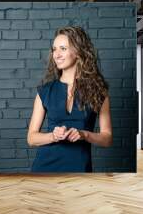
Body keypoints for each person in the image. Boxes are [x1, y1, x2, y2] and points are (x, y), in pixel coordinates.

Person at [27, 26, 113, 172]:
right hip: (44, 168)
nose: (56, 54)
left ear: (78, 52)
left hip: (79, 168)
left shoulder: (98, 91)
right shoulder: (45, 91)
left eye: (63, 49)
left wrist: (84, 134)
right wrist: (53, 136)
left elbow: (107, 138)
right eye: (54, 49)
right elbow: (31, 138)